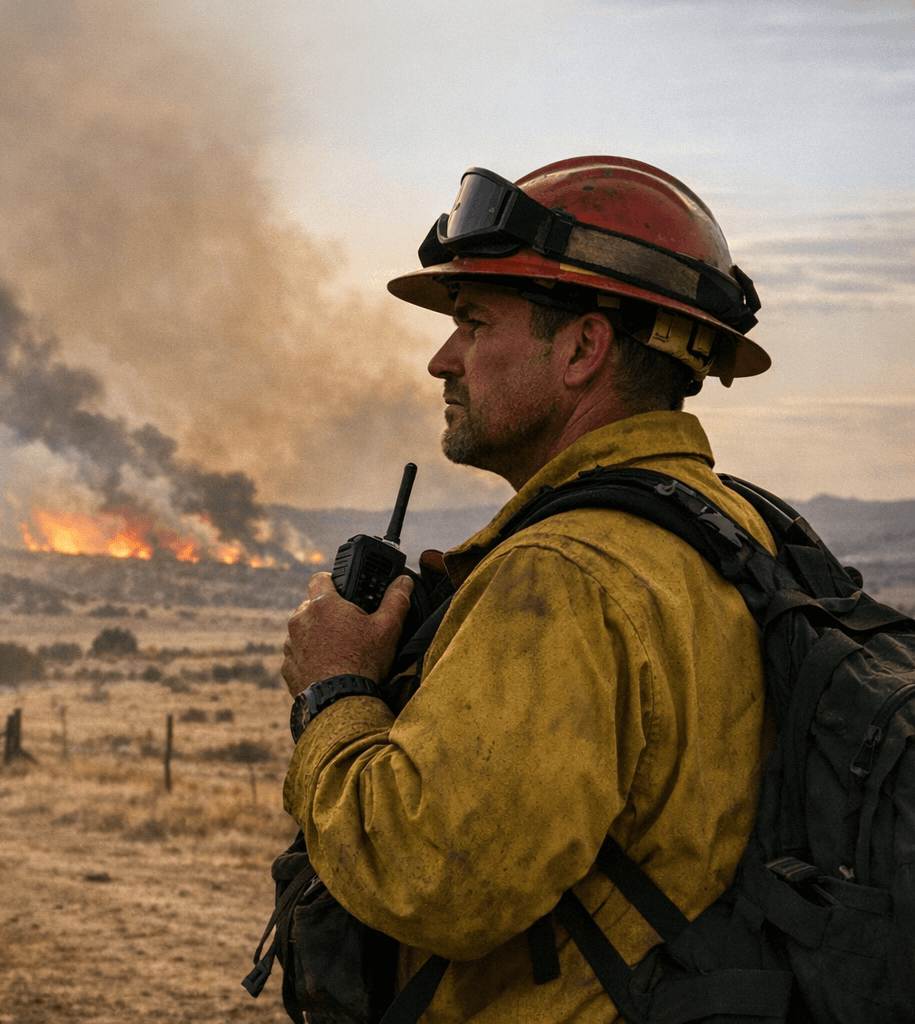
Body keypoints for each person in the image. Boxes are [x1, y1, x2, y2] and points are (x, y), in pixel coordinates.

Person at [280, 157, 776, 1022]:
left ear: (583, 349)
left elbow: (428, 879)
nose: (442, 359)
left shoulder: (563, 575)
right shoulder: (737, 529)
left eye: (473, 322)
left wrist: (336, 693)